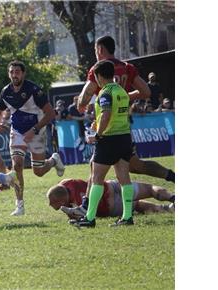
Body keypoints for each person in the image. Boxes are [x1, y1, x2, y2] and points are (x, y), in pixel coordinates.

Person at [77, 35, 175, 184]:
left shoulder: (99, 69)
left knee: (96, 168)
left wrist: (81, 104)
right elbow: (146, 92)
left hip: (107, 126)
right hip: (123, 125)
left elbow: (84, 98)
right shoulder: (127, 67)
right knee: (136, 166)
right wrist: (123, 97)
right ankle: (172, 176)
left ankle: (86, 205)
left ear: (100, 49)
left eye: (95, 50)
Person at [0, 60, 65, 216]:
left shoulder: (34, 89)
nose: (14, 75)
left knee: (38, 171)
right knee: (17, 165)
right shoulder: (6, 91)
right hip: (17, 131)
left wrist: (34, 130)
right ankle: (19, 205)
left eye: (17, 72)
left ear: (23, 74)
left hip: (37, 130)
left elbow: (50, 113)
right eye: (11, 72)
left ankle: (53, 160)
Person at [73, 60, 134, 228]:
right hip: (124, 138)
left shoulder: (105, 93)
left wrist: (98, 134)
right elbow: (118, 114)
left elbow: (106, 114)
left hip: (109, 140)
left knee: (96, 179)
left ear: (99, 76)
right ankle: (127, 217)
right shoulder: (122, 91)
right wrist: (98, 122)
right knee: (124, 179)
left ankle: (90, 218)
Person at [47, 179, 175, 220]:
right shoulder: (66, 182)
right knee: (149, 189)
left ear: (61, 201)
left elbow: (81, 216)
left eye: (53, 203)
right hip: (110, 186)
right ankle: (172, 198)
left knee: (137, 205)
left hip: (110, 206)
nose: (50, 205)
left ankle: (166, 209)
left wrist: (71, 214)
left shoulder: (76, 205)